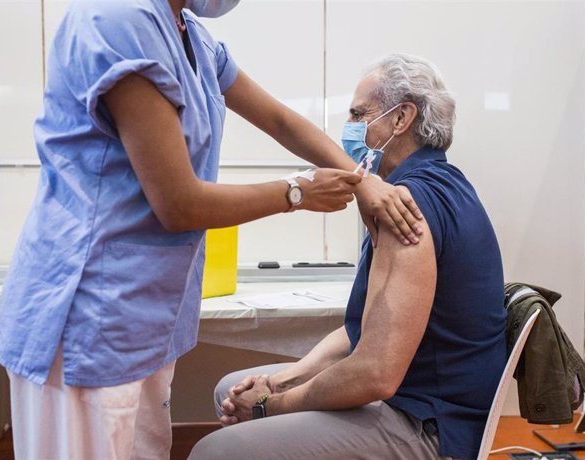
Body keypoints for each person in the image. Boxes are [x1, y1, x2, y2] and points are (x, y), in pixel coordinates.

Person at [0, 1, 425, 459]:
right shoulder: (117, 19)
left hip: (146, 317)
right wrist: (296, 192)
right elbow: (177, 204)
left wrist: (367, 184)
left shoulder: (192, 36)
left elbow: (279, 120)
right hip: (88, 311)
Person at [189, 54, 508, 460]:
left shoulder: (407, 206)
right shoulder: (444, 184)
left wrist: (273, 404)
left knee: (214, 451)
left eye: (359, 114)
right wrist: (285, 379)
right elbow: (364, 330)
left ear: (401, 118)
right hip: (419, 397)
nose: (350, 128)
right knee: (231, 390)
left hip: (429, 424)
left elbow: (375, 374)